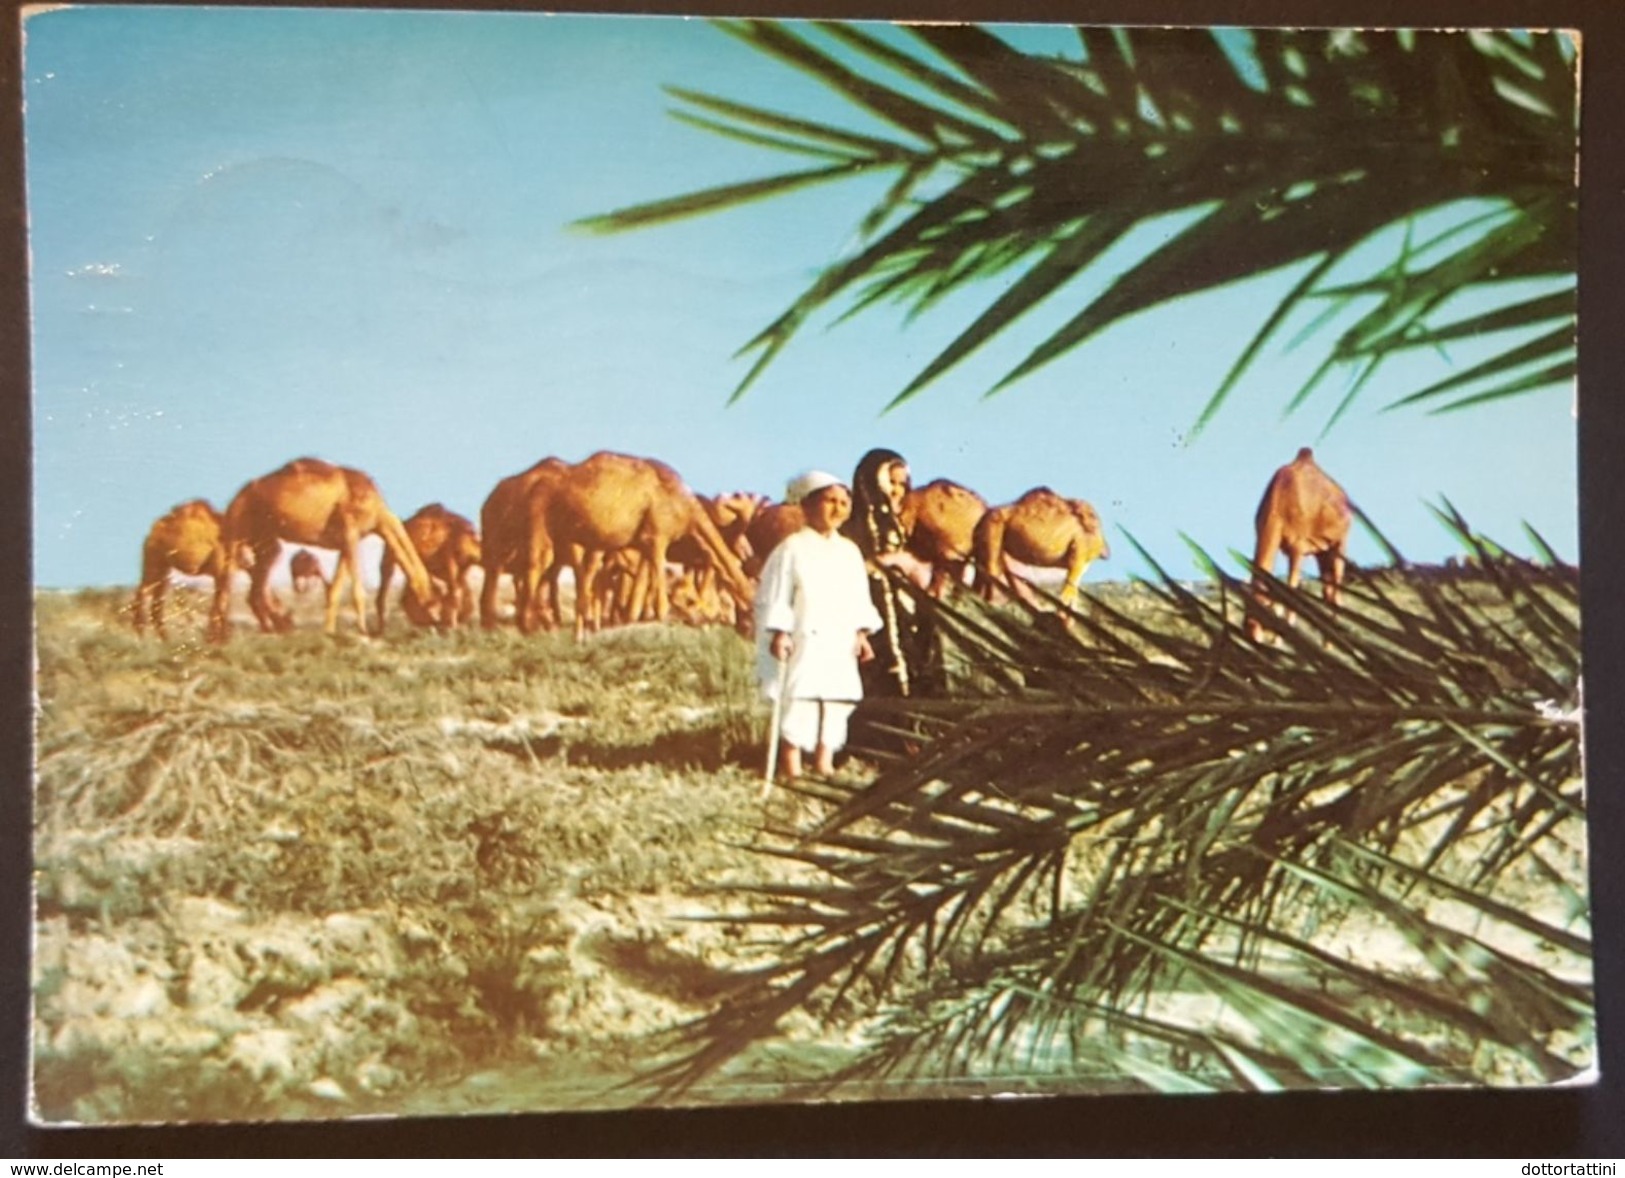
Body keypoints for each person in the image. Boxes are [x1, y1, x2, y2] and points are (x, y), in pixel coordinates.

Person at [756, 470, 883, 780]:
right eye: (829, 501)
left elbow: (857, 596)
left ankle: (824, 761)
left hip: (838, 640)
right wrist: (780, 632)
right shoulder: (792, 548)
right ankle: (792, 764)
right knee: (799, 696)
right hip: (804, 637)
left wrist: (861, 633)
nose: (837, 508)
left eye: (843, 502)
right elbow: (777, 593)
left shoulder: (849, 552)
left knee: (836, 697)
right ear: (809, 506)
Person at [843, 447, 944, 700]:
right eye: (892, 482)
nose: (898, 490)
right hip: (876, 607)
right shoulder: (855, 525)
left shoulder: (906, 522)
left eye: (903, 483)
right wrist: (894, 562)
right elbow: (853, 565)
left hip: (909, 607)